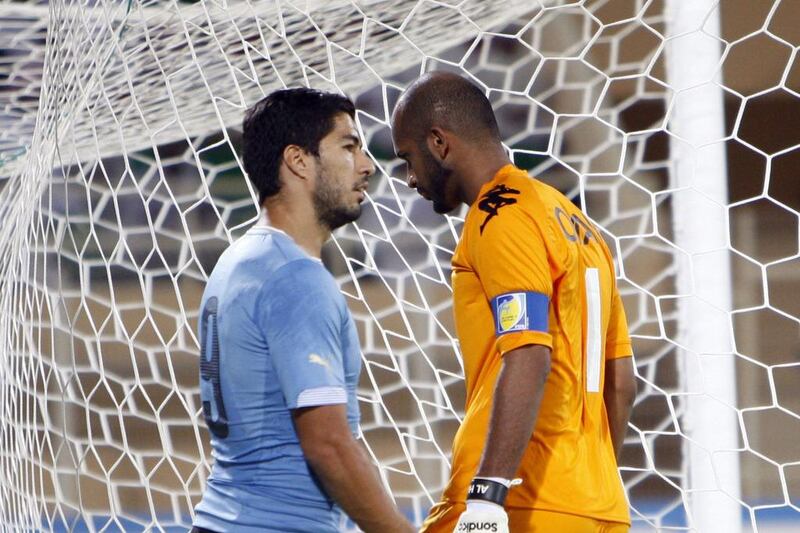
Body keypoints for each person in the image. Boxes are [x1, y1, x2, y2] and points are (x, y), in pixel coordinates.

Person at [391, 72, 637, 533]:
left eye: (408, 158)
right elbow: (620, 380)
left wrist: (487, 497)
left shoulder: (498, 216)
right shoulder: (576, 221)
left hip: (518, 502)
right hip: (598, 506)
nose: (408, 179)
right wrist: (588, 484)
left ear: (439, 143)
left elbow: (527, 353)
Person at [192, 88, 414, 533]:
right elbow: (329, 445)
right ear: (298, 161)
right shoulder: (295, 278)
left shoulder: (237, 263)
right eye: (349, 147)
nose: (367, 166)